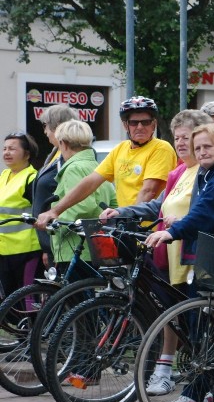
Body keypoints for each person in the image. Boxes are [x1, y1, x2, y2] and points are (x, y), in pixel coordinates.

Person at [100, 109, 213, 397]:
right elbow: (157, 207)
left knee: (193, 319)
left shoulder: (204, 173)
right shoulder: (177, 172)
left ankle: (204, 379)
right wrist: (122, 211)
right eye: (177, 138)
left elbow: (204, 211)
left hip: (191, 257)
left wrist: (182, 222)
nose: (182, 144)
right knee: (170, 313)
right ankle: (169, 369)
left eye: (187, 138)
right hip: (168, 254)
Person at [149, 123, 214, 402]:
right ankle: (202, 388)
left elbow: (208, 210)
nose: (202, 152)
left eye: (208, 146)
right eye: (198, 148)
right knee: (201, 323)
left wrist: (174, 232)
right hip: (207, 253)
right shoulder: (207, 171)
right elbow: (197, 210)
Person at [35, 96, 177, 230]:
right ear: (125, 125)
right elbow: (91, 182)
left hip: (147, 229)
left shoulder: (161, 148)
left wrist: (129, 222)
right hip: (125, 227)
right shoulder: (120, 149)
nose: (139, 127)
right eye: (134, 122)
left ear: (154, 125)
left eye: (145, 122)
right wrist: (55, 211)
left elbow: (149, 190)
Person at [50, 120, 117, 273]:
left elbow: (81, 207)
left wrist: (53, 224)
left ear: (64, 144)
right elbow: (114, 203)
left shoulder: (73, 168)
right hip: (98, 246)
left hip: (75, 247)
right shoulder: (98, 168)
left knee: (72, 296)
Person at [32, 104, 78, 268]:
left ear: (57, 125)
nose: (44, 131)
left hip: (61, 240)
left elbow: (68, 196)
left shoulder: (68, 156)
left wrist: (52, 246)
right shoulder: (55, 153)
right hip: (49, 240)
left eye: (46, 126)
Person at [0, 132, 42, 298]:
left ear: (27, 154)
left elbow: (42, 213)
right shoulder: (4, 176)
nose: (6, 153)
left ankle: (32, 325)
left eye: (12, 149)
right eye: (4, 149)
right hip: (4, 250)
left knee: (27, 299)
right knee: (9, 300)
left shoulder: (31, 178)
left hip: (27, 251)